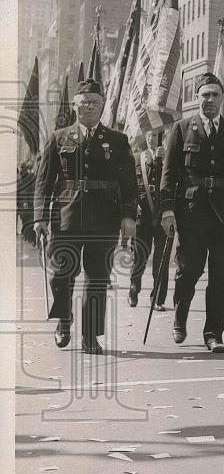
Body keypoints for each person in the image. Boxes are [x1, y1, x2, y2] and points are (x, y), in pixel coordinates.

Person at [33, 78, 137, 354]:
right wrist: (40, 218)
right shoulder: (59, 138)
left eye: (94, 102)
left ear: (102, 106)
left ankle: (91, 335)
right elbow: (44, 182)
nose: (89, 107)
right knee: (62, 274)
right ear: (75, 105)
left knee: (98, 277)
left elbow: (128, 183)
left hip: (105, 218)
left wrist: (129, 217)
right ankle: (64, 319)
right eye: (84, 102)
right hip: (66, 216)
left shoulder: (117, 140)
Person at [159, 72, 224, 354]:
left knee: (219, 275)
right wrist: (167, 210)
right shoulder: (181, 129)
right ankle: (180, 314)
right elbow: (169, 174)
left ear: (222, 99)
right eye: (205, 95)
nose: (209, 100)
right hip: (192, 212)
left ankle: (214, 333)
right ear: (196, 97)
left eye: (215, 95)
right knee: (188, 271)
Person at [129, 132, 168, 310]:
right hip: (142, 216)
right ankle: (134, 288)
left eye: (157, 135)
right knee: (139, 257)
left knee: (161, 260)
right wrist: (132, 204)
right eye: (150, 135)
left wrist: (167, 159)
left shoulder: (169, 158)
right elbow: (128, 185)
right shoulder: (137, 158)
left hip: (163, 217)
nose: (153, 138)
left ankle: (158, 298)